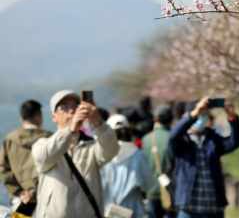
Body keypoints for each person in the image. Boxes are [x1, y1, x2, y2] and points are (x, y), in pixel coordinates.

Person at [32, 89, 120, 218]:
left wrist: (98, 124)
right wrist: (70, 130)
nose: (72, 110)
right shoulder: (43, 144)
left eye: (75, 105)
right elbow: (43, 157)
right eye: (65, 107)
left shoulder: (92, 145)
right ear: (54, 117)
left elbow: (112, 150)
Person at [169, 96, 239, 218]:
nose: (202, 118)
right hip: (189, 208)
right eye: (199, 114)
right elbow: (173, 136)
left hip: (214, 208)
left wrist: (232, 117)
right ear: (187, 117)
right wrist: (193, 114)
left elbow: (235, 141)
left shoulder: (213, 139)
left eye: (205, 114)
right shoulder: (182, 141)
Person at [0, 100, 52, 216]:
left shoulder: (10, 139)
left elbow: (3, 169)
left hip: (21, 200)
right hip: (46, 199)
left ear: (21, 118)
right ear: (38, 117)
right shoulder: (50, 139)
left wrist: (18, 193)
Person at [102, 114, 154, 217]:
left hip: (107, 211)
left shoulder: (103, 156)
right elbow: (148, 185)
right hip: (133, 210)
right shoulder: (138, 154)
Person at [142, 105, 177, 218]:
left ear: (155, 119)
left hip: (152, 191)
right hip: (173, 191)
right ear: (172, 119)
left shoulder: (146, 139)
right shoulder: (175, 138)